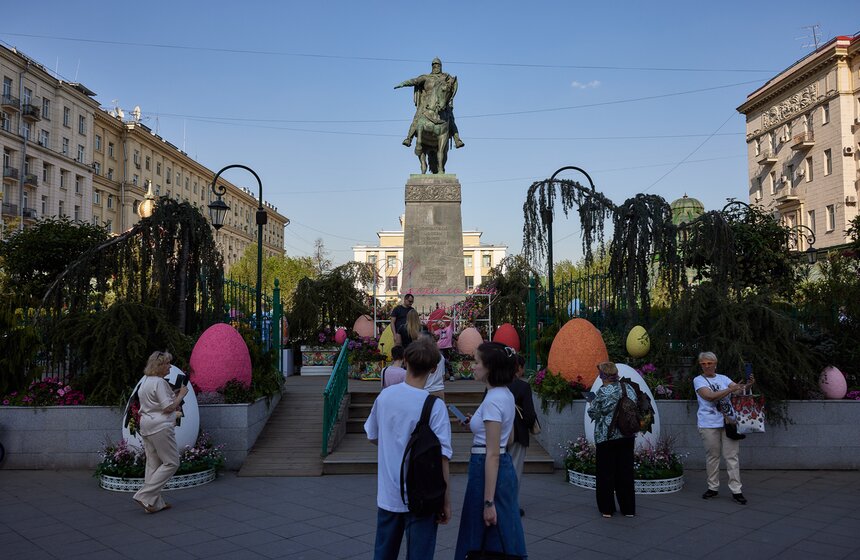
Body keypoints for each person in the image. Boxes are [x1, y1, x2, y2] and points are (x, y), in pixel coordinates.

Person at [365, 337, 453, 560]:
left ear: (405, 361)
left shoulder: (385, 397)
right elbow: (443, 457)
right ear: (434, 368)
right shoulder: (435, 406)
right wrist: (446, 500)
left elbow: (372, 435)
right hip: (424, 496)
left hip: (388, 496)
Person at [454, 342, 526, 559]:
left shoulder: (493, 400)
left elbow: (493, 454)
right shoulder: (504, 394)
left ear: (490, 368)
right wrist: (477, 426)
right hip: (500, 468)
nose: (473, 367)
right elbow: (509, 437)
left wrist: (488, 502)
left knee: (484, 530)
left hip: (486, 468)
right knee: (503, 531)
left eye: (477, 362)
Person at [694, 351, 755, 505]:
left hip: (729, 422)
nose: (707, 366)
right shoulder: (698, 380)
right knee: (712, 457)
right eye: (703, 363)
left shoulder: (723, 378)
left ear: (715, 364)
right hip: (708, 424)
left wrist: (747, 384)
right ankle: (712, 488)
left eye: (710, 363)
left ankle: (736, 490)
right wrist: (730, 390)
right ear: (700, 365)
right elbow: (709, 396)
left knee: (732, 457)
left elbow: (739, 390)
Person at [132, 350, 188, 514]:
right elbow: (168, 407)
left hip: (146, 426)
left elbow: (155, 403)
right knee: (172, 462)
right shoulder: (159, 382)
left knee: (153, 464)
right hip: (160, 426)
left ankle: (154, 504)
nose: (170, 366)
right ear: (159, 366)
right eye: (167, 363)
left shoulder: (146, 381)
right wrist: (181, 395)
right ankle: (144, 495)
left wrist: (173, 395)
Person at [587, 362, 637, 518]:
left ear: (603, 376)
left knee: (606, 473)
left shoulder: (603, 392)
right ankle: (628, 509)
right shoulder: (628, 388)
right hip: (627, 435)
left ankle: (607, 509)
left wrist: (591, 402)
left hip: (606, 437)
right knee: (625, 472)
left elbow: (593, 413)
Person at [395, 58, 465, 149]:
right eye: (434, 65)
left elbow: (453, 85)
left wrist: (450, 96)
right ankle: (409, 138)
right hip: (426, 103)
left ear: (441, 66)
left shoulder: (446, 77)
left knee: (451, 118)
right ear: (432, 66)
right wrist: (403, 84)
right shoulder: (426, 77)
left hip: (442, 102)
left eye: (438, 65)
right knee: (417, 117)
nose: (436, 67)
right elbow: (415, 81)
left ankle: (457, 139)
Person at [507, 354, 537, 517]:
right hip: (518, 433)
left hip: (498, 433)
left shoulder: (495, 385)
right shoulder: (523, 387)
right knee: (515, 469)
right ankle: (511, 505)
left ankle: (496, 501)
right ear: (518, 368)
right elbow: (529, 416)